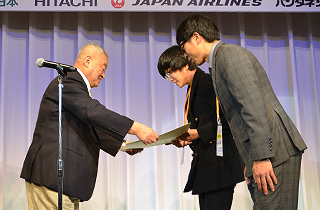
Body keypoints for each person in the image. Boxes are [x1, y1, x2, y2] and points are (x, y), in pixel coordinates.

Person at [176, 14, 307, 210]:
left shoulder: (229, 56)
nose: (185, 54)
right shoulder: (220, 60)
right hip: (266, 154)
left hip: (275, 153)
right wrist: (250, 159)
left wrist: (262, 157)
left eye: (182, 45)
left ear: (196, 37)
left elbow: (253, 108)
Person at [20, 43, 159, 209]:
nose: (104, 75)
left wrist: (120, 144)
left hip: (63, 183)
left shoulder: (74, 86)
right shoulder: (68, 80)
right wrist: (136, 128)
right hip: (51, 178)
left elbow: (87, 123)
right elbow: (92, 112)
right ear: (87, 61)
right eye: (103, 67)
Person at [158, 46, 244, 210]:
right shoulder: (192, 88)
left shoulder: (208, 84)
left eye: (170, 73)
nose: (170, 79)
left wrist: (198, 133)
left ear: (184, 65)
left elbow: (230, 119)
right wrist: (187, 139)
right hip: (206, 167)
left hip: (220, 167)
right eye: (166, 76)